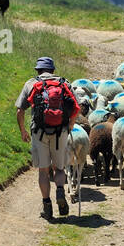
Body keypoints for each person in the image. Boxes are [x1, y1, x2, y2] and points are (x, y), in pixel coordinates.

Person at [15, 57, 80, 220]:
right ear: (52, 70)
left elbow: (19, 111)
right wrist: (71, 124)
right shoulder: (64, 83)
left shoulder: (31, 84)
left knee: (43, 170)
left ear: (38, 70)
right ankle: (60, 189)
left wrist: (23, 131)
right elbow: (76, 107)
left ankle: (47, 206)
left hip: (39, 132)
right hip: (60, 132)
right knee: (59, 168)